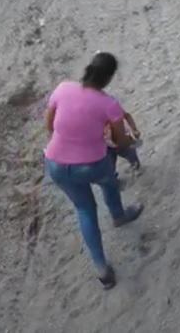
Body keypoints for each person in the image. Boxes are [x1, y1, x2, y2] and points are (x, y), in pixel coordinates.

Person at [43, 53, 144, 289]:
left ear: (87, 69)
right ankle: (118, 215)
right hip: (92, 164)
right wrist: (132, 141)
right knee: (108, 183)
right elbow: (119, 141)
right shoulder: (109, 104)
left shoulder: (63, 88)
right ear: (108, 79)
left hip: (56, 163)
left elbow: (49, 125)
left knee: (84, 210)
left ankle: (102, 270)